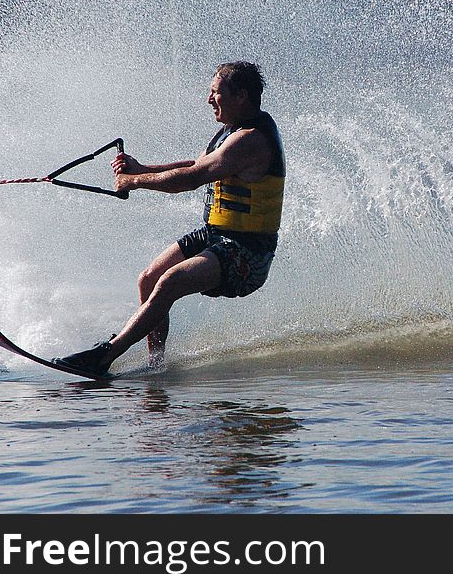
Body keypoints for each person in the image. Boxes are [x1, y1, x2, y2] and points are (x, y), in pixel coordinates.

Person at [53, 61, 285, 374]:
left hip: (247, 252)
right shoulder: (231, 131)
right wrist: (142, 169)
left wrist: (132, 182)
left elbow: (190, 180)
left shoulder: (251, 140)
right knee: (149, 278)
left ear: (241, 96)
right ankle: (156, 363)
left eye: (215, 93)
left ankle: (104, 356)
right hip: (215, 234)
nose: (208, 99)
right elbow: (196, 164)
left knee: (170, 282)